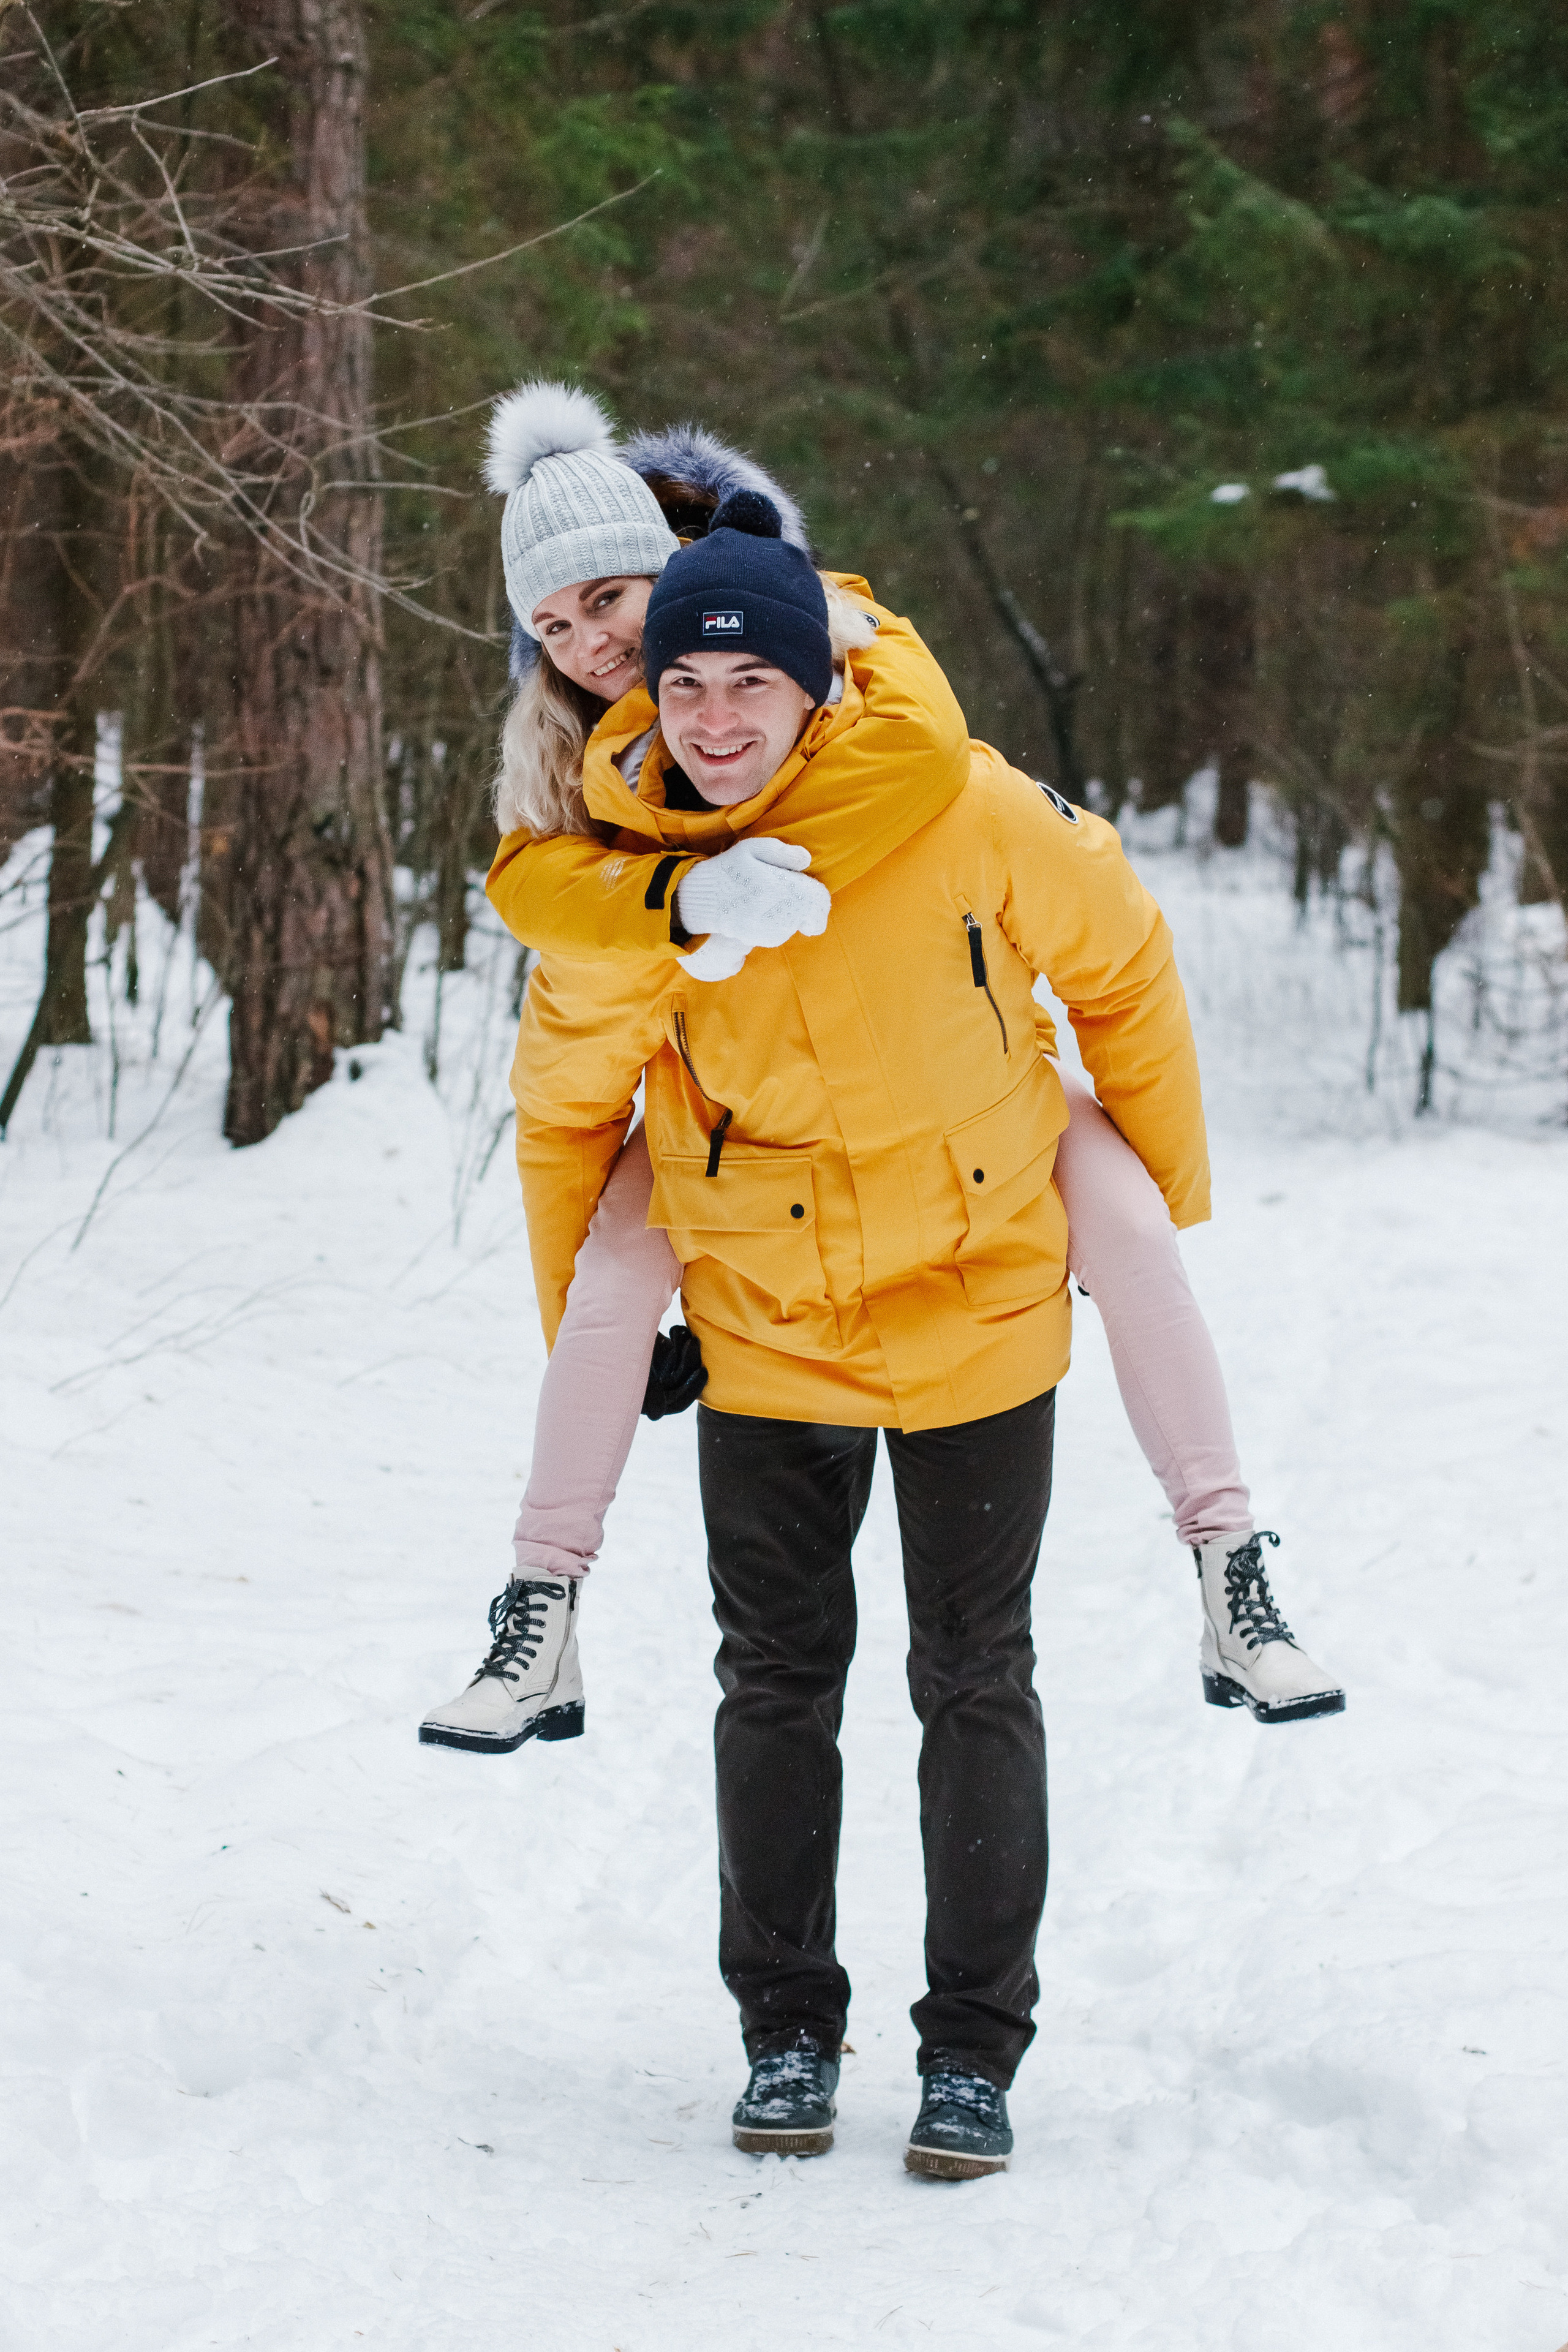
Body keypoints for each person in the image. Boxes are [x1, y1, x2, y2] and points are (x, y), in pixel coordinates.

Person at [496, 486, 1325, 2179]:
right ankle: (787, 2029)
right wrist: (593, 1303)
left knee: (975, 1679)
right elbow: (565, 1103)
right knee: (778, 1686)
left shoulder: (960, 805)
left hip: (977, 1310)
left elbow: (1123, 954)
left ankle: (973, 2055)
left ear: (815, 681)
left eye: (755, 684)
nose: (717, 719)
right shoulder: (631, 874)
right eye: (685, 686)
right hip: (770, 1322)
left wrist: (1143, 1198)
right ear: (639, 689)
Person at [418, 383, 1342, 1773]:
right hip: (738, 1149)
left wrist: (1152, 1176)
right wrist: (674, 902)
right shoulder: (581, 786)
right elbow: (556, 1031)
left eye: (608, 598)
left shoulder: (860, 687)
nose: (589, 646)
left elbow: (1034, 874)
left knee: (1135, 1239)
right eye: (551, 627)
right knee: (611, 1274)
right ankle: (541, 1601)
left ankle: (1228, 1560)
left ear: (684, 563)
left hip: (978, 1112)